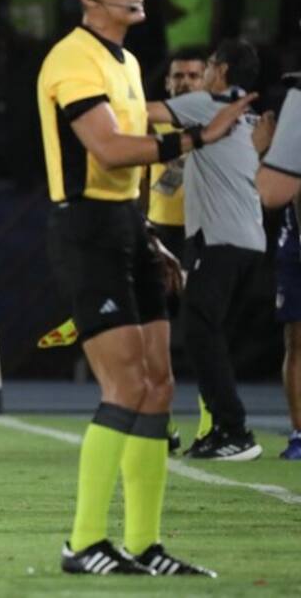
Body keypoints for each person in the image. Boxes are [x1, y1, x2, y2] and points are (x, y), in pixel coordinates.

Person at [37, 0, 249, 576]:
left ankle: (145, 545)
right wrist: (198, 136)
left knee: (159, 386)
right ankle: (83, 543)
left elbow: (129, 148)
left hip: (126, 227)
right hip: (87, 231)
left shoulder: (125, 61)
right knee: (126, 384)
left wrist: (147, 234)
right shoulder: (71, 59)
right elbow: (106, 149)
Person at [145, 40, 267, 461]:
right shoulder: (246, 115)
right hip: (244, 241)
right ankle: (220, 429)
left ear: (223, 70)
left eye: (209, 66)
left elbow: (143, 113)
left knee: (199, 334)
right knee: (206, 337)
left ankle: (235, 431)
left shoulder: (209, 105)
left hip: (221, 241)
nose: (204, 73)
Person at [256, 80, 301, 460]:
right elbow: (273, 195)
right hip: (295, 240)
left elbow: (269, 192)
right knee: (297, 339)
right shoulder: (295, 99)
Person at [146, 50, 207, 265]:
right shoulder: (150, 123)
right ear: (167, 82)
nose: (185, 82)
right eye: (178, 76)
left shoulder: (221, 124)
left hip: (206, 229)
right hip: (161, 230)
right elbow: (138, 180)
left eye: (193, 76)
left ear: (205, 81)